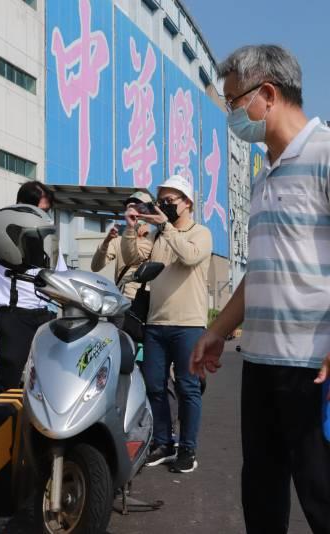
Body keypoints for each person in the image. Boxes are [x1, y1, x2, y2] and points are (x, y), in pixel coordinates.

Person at [190, 45, 330, 534]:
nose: (230, 114)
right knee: (262, 500)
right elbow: (263, 272)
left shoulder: (325, 154)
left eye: (233, 102)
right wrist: (217, 329)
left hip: (314, 370)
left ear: (266, 94)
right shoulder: (265, 174)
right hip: (262, 366)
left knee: (322, 495)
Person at [122, 174, 211, 473]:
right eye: (161, 201)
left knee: (187, 388)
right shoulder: (159, 236)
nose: (164, 206)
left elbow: (188, 257)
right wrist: (132, 228)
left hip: (188, 323)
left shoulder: (201, 233)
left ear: (187, 203)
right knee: (154, 386)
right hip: (156, 322)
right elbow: (133, 257)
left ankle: (188, 449)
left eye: (170, 201)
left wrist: (167, 227)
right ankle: (163, 442)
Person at [0, 181, 65, 408]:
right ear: (21, 204)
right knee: (6, 387)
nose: (42, 215)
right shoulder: (1, 233)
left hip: (46, 317)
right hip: (14, 318)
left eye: (46, 211)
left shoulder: (48, 238)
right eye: (39, 209)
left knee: (46, 388)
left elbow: (62, 277)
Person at [91, 191, 154, 299]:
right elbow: (95, 267)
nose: (133, 212)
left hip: (152, 301)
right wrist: (106, 241)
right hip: (125, 301)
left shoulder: (157, 238)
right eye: (130, 208)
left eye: (139, 208)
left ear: (149, 212)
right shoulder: (118, 240)